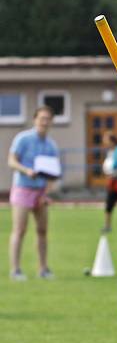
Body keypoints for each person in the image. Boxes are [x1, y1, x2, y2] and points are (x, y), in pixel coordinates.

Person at [7, 105, 60, 281]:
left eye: (47, 119)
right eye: (41, 118)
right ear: (35, 120)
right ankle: (15, 269)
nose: (44, 122)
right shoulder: (23, 139)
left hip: (41, 191)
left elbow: (53, 175)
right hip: (23, 188)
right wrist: (25, 170)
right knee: (20, 230)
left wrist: (47, 193)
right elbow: (11, 161)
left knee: (42, 230)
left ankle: (43, 269)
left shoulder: (51, 145)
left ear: (51, 122)